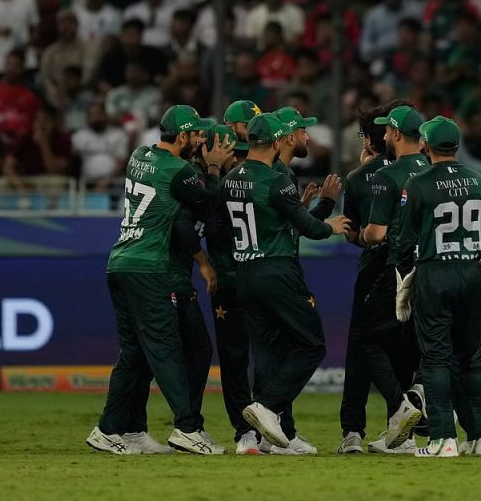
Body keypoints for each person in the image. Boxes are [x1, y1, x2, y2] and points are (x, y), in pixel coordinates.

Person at [86, 104, 233, 455]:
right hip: (149, 267)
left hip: (121, 262)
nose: (200, 139)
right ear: (181, 136)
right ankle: (187, 428)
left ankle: (117, 429)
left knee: (135, 354)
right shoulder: (179, 171)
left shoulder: (140, 155)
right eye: (195, 134)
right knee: (165, 350)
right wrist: (214, 166)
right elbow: (209, 202)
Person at [228, 113, 350, 455]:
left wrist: (302, 209)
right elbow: (309, 230)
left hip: (245, 272)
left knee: (267, 353)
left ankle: (275, 434)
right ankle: (266, 407)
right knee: (312, 345)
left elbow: (275, 222)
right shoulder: (276, 180)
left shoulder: (231, 178)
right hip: (277, 271)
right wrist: (330, 221)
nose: (304, 136)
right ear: (279, 140)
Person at [395, 115, 481, 458]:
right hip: (471, 272)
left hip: (434, 273)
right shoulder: (479, 181)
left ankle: (443, 439)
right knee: (472, 359)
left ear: (425, 145)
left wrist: (403, 281)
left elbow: (404, 241)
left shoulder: (419, 184)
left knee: (435, 358)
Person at [338, 100, 422, 455]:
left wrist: (360, 236)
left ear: (373, 139)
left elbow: (357, 233)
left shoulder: (361, 178)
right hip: (419, 266)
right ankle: (403, 432)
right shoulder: (425, 168)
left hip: (378, 268)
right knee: (405, 349)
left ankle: (352, 432)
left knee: (362, 346)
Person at [360, 105, 431, 450]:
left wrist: (361, 234)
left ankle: (402, 405)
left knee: (368, 339)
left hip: (399, 269)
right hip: (433, 269)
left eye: (387, 131)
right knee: (418, 346)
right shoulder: (434, 170)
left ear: (397, 134)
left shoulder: (387, 176)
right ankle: (419, 414)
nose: (384, 136)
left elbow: (376, 233)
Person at [200, 124, 260, 455]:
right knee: (235, 358)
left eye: (240, 153)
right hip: (227, 282)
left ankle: (273, 424)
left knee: (266, 354)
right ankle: (244, 431)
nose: (237, 159)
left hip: (257, 279)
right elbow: (206, 226)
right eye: (231, 153)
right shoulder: (206, 182)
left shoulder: (254, 180)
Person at [72, 101, 129, 192]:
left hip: (113, 181)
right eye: (93, 115)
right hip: (87, 182)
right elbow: (74, 163)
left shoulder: (118, 134)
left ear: (105, 115)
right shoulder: (79, 136)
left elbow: (121, 161)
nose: (96, 118)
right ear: (87, 117)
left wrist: (108, 180)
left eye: (99, 114)